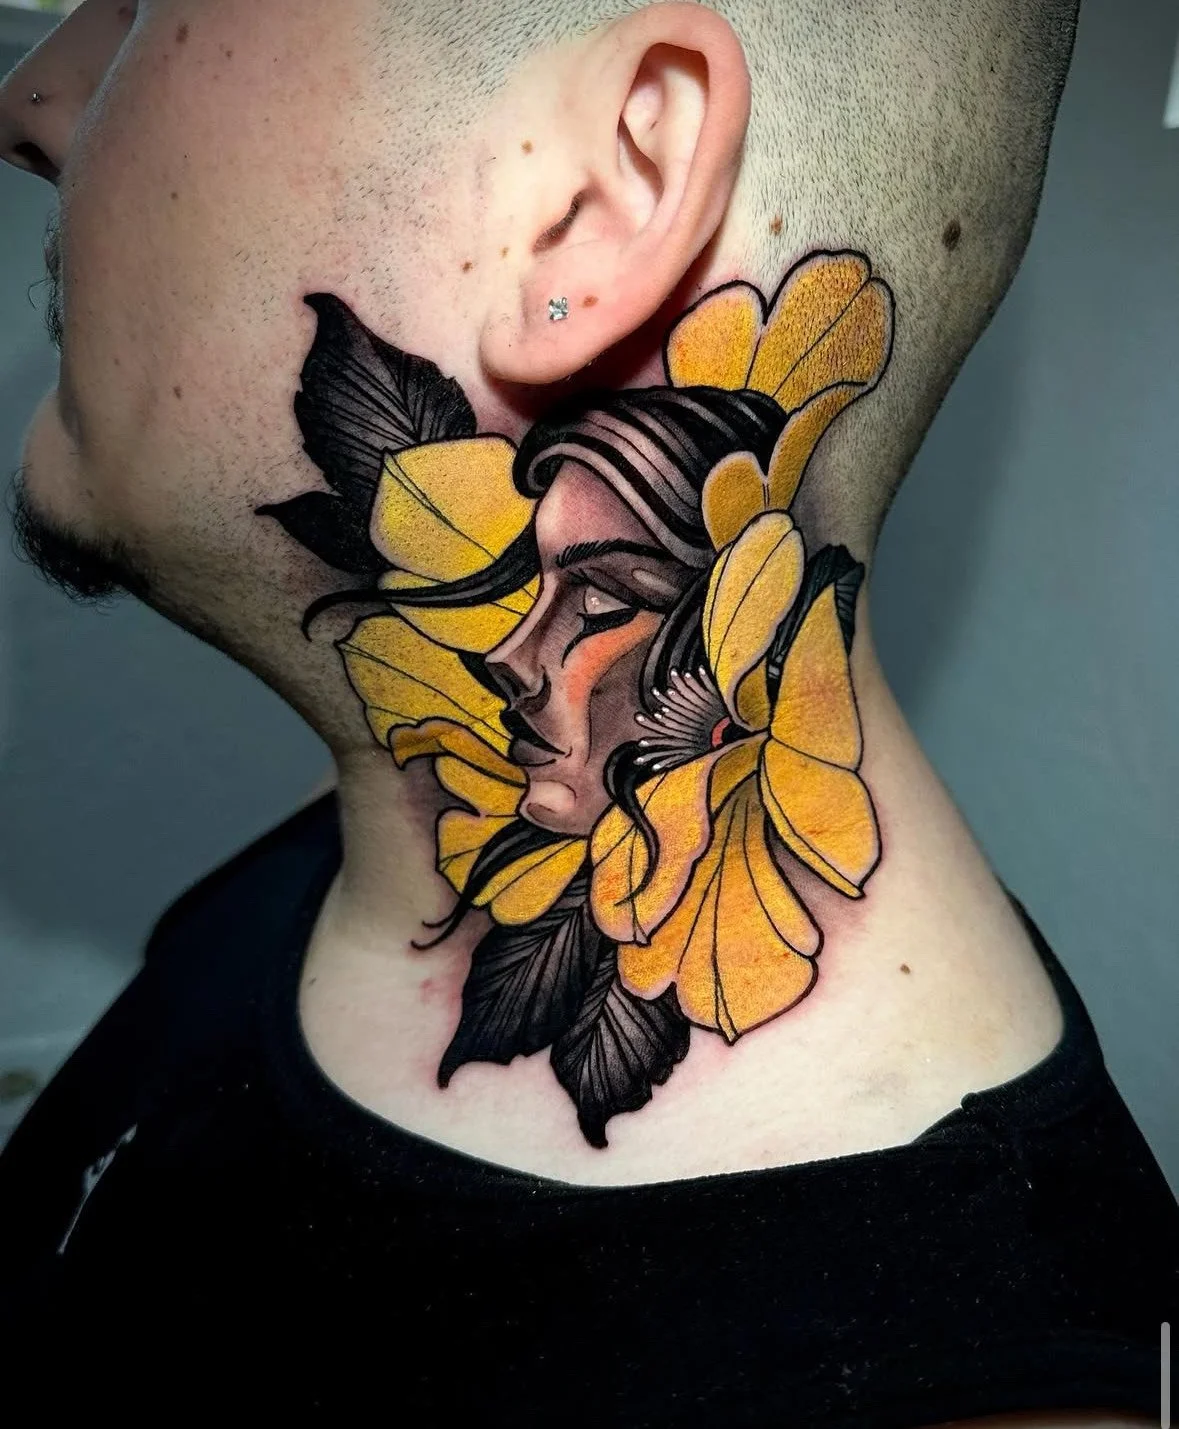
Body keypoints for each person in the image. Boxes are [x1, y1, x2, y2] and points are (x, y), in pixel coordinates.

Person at [0, 0, 1173, 1421]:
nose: (36, 99)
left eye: (138, 4)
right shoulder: (390, 813)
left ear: (601, 200)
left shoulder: (976, 1389)